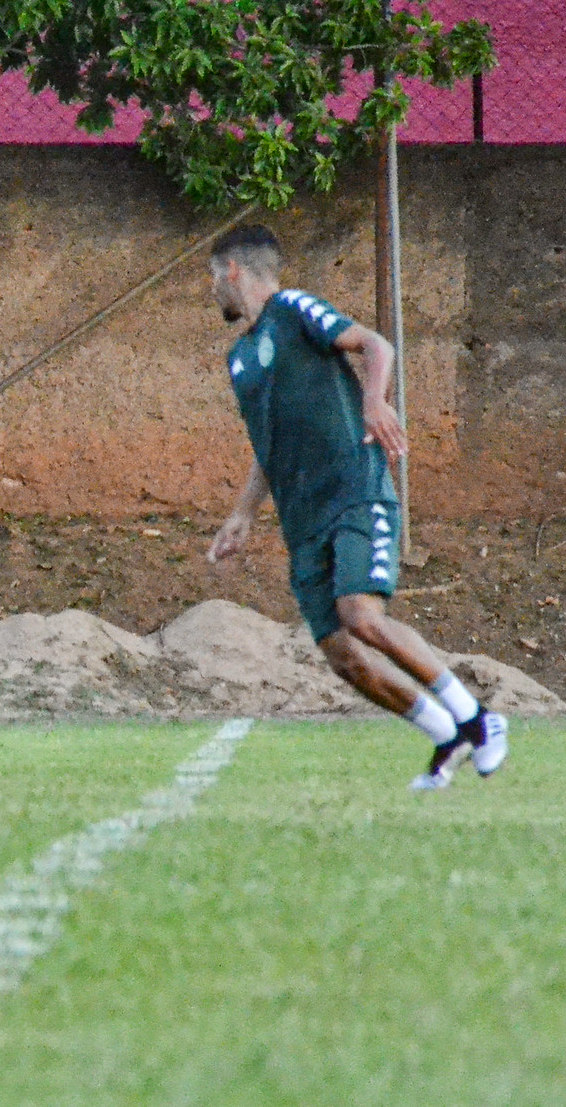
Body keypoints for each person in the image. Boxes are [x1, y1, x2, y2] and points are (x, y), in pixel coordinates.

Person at [205, 224, 506, 790]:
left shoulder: (293, 309)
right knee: (343, 654)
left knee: (362, 617)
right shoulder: (240, 358)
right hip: (302, 522)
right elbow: (268, 445)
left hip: (354, 492)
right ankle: (448, 733)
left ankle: (478, 718)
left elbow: (376, 344)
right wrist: (244, 512)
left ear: (233, 270)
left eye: (213, 278)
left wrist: (374, 403)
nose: (213, 290)